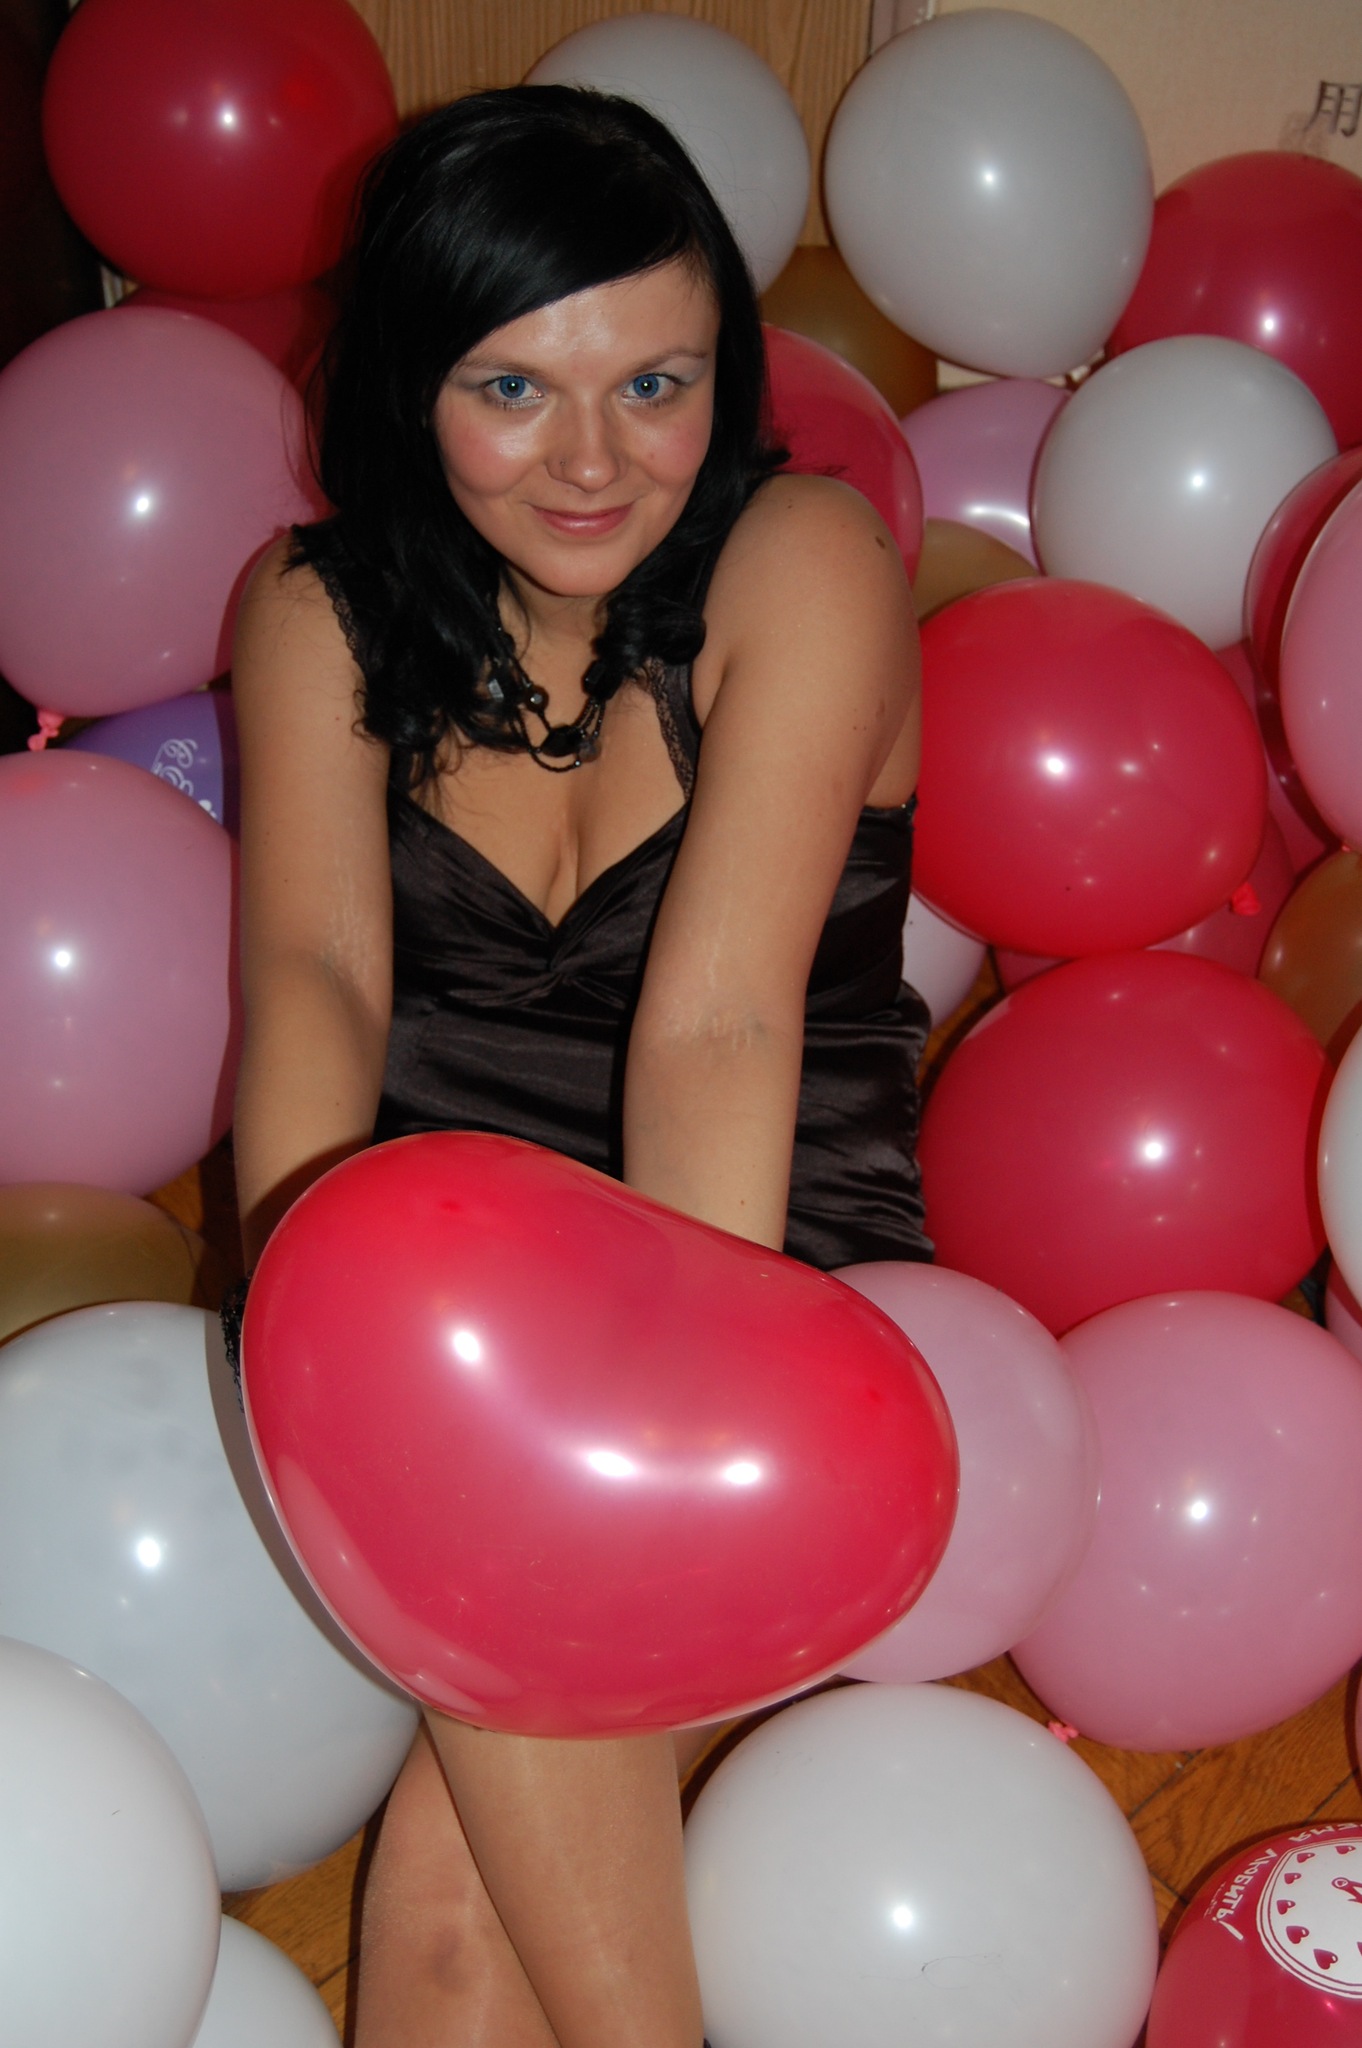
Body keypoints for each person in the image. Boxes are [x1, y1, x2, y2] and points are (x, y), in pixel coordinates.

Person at [231, 84, 930, 2048]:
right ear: (410, 382)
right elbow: (311, 991)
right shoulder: (313, 607)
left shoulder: (803, 556)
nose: (597, 459)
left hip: (765, 1270)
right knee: (456, 1915)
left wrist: (642, 1463)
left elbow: (719, 1023)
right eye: (514, 390)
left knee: (465, 1892)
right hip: (443, 1314)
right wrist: (310, 1382)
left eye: (656, 383)